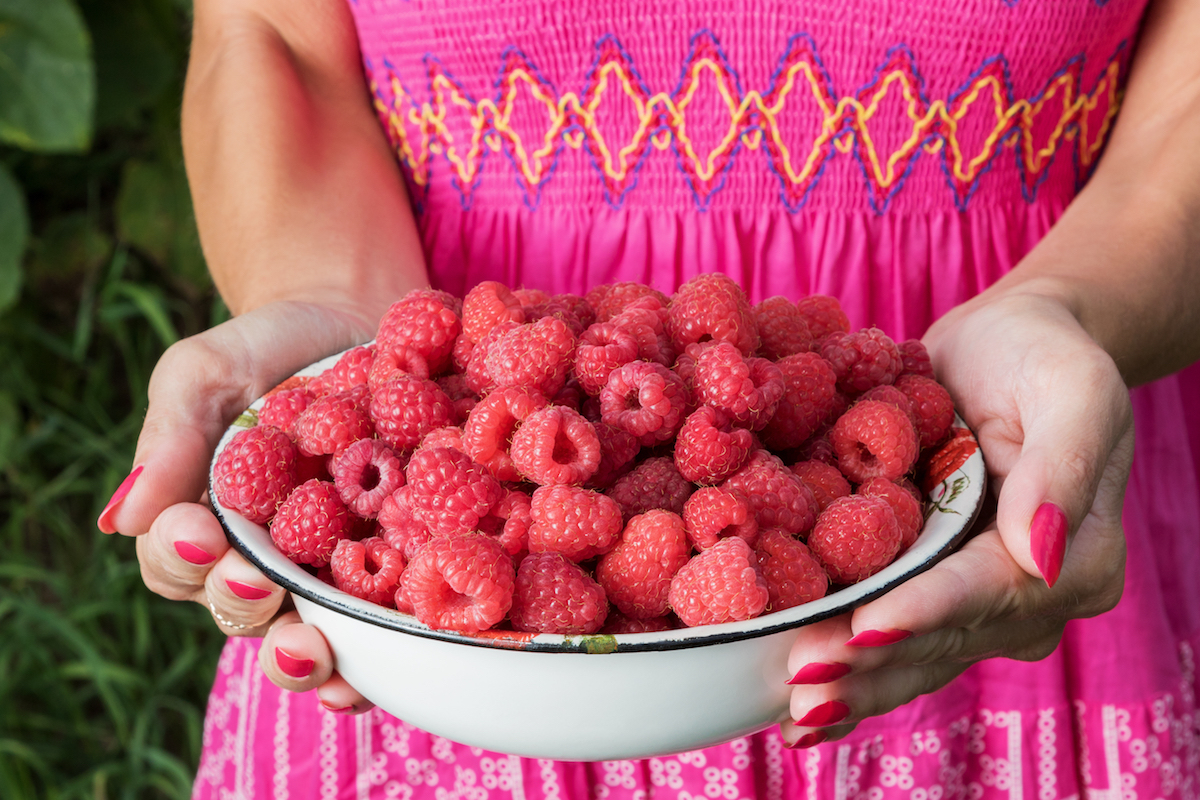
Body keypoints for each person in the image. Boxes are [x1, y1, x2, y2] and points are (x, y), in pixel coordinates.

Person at [100, 0, 1200, 795]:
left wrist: (1078, 305)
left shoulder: (806, 430)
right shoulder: (479, 466)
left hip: (978, 472)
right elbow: (278, 37)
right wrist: (341, 316)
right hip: (444, 623)